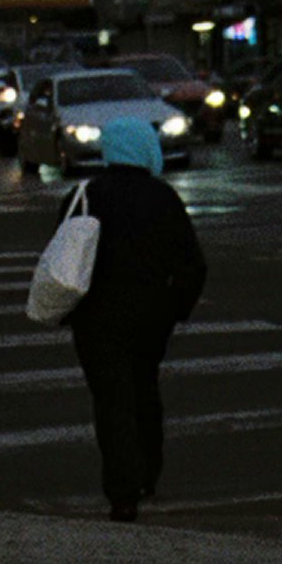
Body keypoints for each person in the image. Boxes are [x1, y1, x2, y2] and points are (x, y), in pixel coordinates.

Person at [62, 112, 207, 522]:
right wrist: (174, 308)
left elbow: (62, 259)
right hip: (149, 318)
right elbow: (194, 266)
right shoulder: (162, 198)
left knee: (112, 402)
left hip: (95, 320)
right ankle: (147, 471)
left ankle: (122, 492)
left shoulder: (85, 196)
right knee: (144, 390)